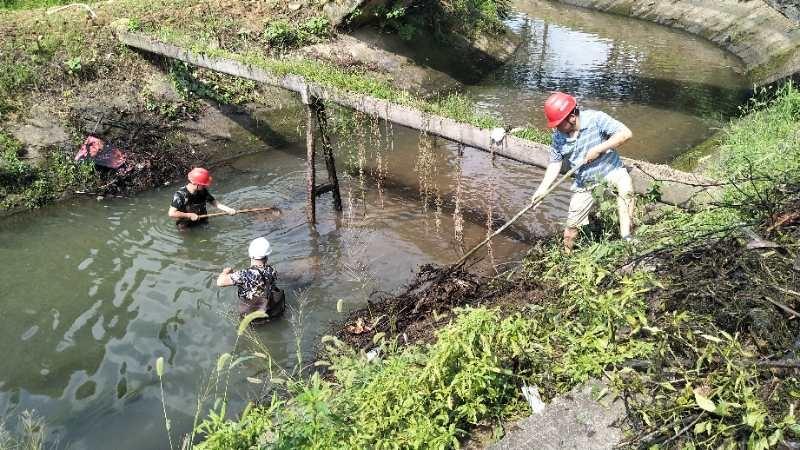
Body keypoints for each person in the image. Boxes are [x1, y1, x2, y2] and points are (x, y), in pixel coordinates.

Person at [531, 92, 635, 252]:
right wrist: (542, 189)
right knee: (571, 228)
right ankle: (566, 256)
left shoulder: (596, 119)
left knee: (626, 189)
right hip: (585, 182)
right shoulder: (559, 136)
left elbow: (626, 134)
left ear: (572, 117)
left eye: (559, 123)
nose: (557, 128)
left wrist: (598, 149)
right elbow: (555, 163)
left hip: (611, 170)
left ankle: (626, 239)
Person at [216, 237, 285, 322]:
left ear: (250, 254)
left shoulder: (243, 275)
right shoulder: (272, 271)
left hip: (251, 317)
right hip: (269, 311)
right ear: (267, 256)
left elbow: (219, 282)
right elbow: (258, 276)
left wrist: (226, 271)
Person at [168, 167, 236, 229]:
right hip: (185, 225)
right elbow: (171, 213)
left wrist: (228, 209)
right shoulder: (180, 195)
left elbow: (214, 202)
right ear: (197, 184)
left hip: (202, 220)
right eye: (204, 185)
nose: (205, 186)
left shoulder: (203, 191)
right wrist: (189, 215)